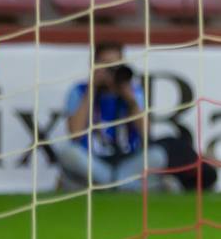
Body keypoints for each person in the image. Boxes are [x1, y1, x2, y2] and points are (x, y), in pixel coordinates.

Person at [53, 40, 166, 191]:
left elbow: (146, 133)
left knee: (158, 155)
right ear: (94, 65)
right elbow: (75, 134)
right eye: (105, 65)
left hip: (127, 159)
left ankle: (101, 186)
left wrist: (130, 100)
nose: (111, 71)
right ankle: (127, 186)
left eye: (115, 65)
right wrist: (92, 89)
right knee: (69, 153)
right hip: (94, 160)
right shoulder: (79, 91)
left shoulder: (132, 91)